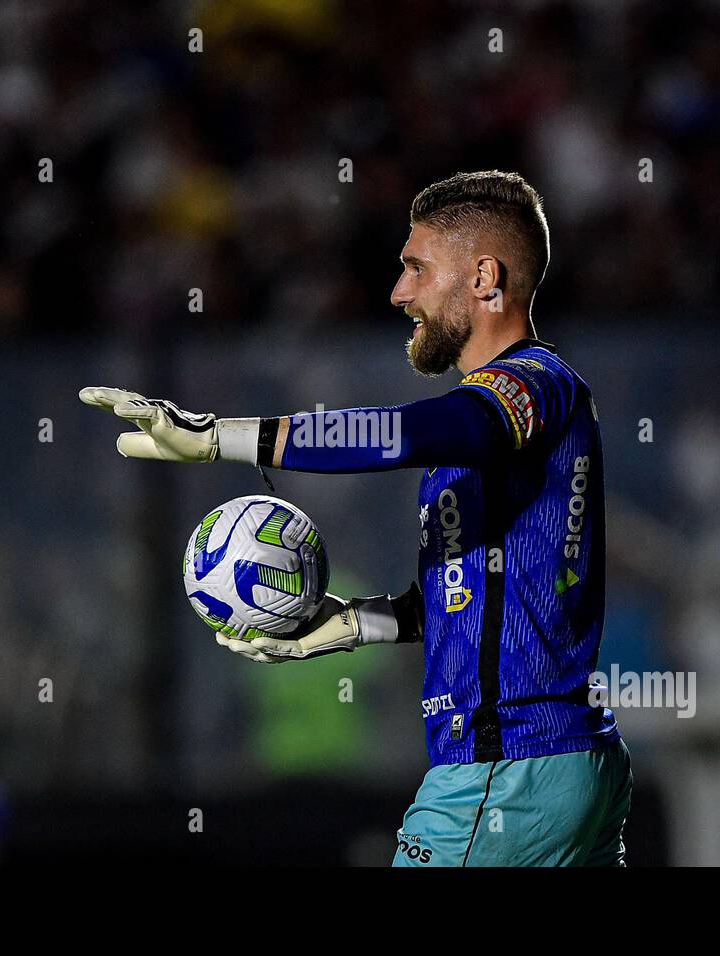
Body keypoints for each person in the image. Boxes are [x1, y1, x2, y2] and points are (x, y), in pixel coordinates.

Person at [81, 170, 632, 866]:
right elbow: (472, 601)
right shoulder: (496, 437)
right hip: (563, 762)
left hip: (506, 768)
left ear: (485, 277)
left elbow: (401, 435)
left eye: (416, 268)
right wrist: (347, 625)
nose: (401, 293)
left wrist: (219, 437)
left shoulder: (531, 386)